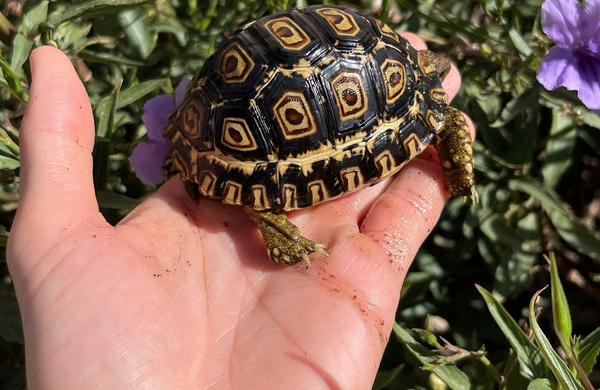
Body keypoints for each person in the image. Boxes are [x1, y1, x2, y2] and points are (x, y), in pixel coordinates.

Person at [7, 40, 473, 390]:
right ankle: (265, 214)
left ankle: (257, 200)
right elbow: (448, 121)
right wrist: (460, 172)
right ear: (429, 73)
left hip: (213, 111)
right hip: (262, 150)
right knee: (449, 122)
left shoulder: (377, 45)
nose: (442, 69)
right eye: (440, 69)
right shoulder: (407, 83)